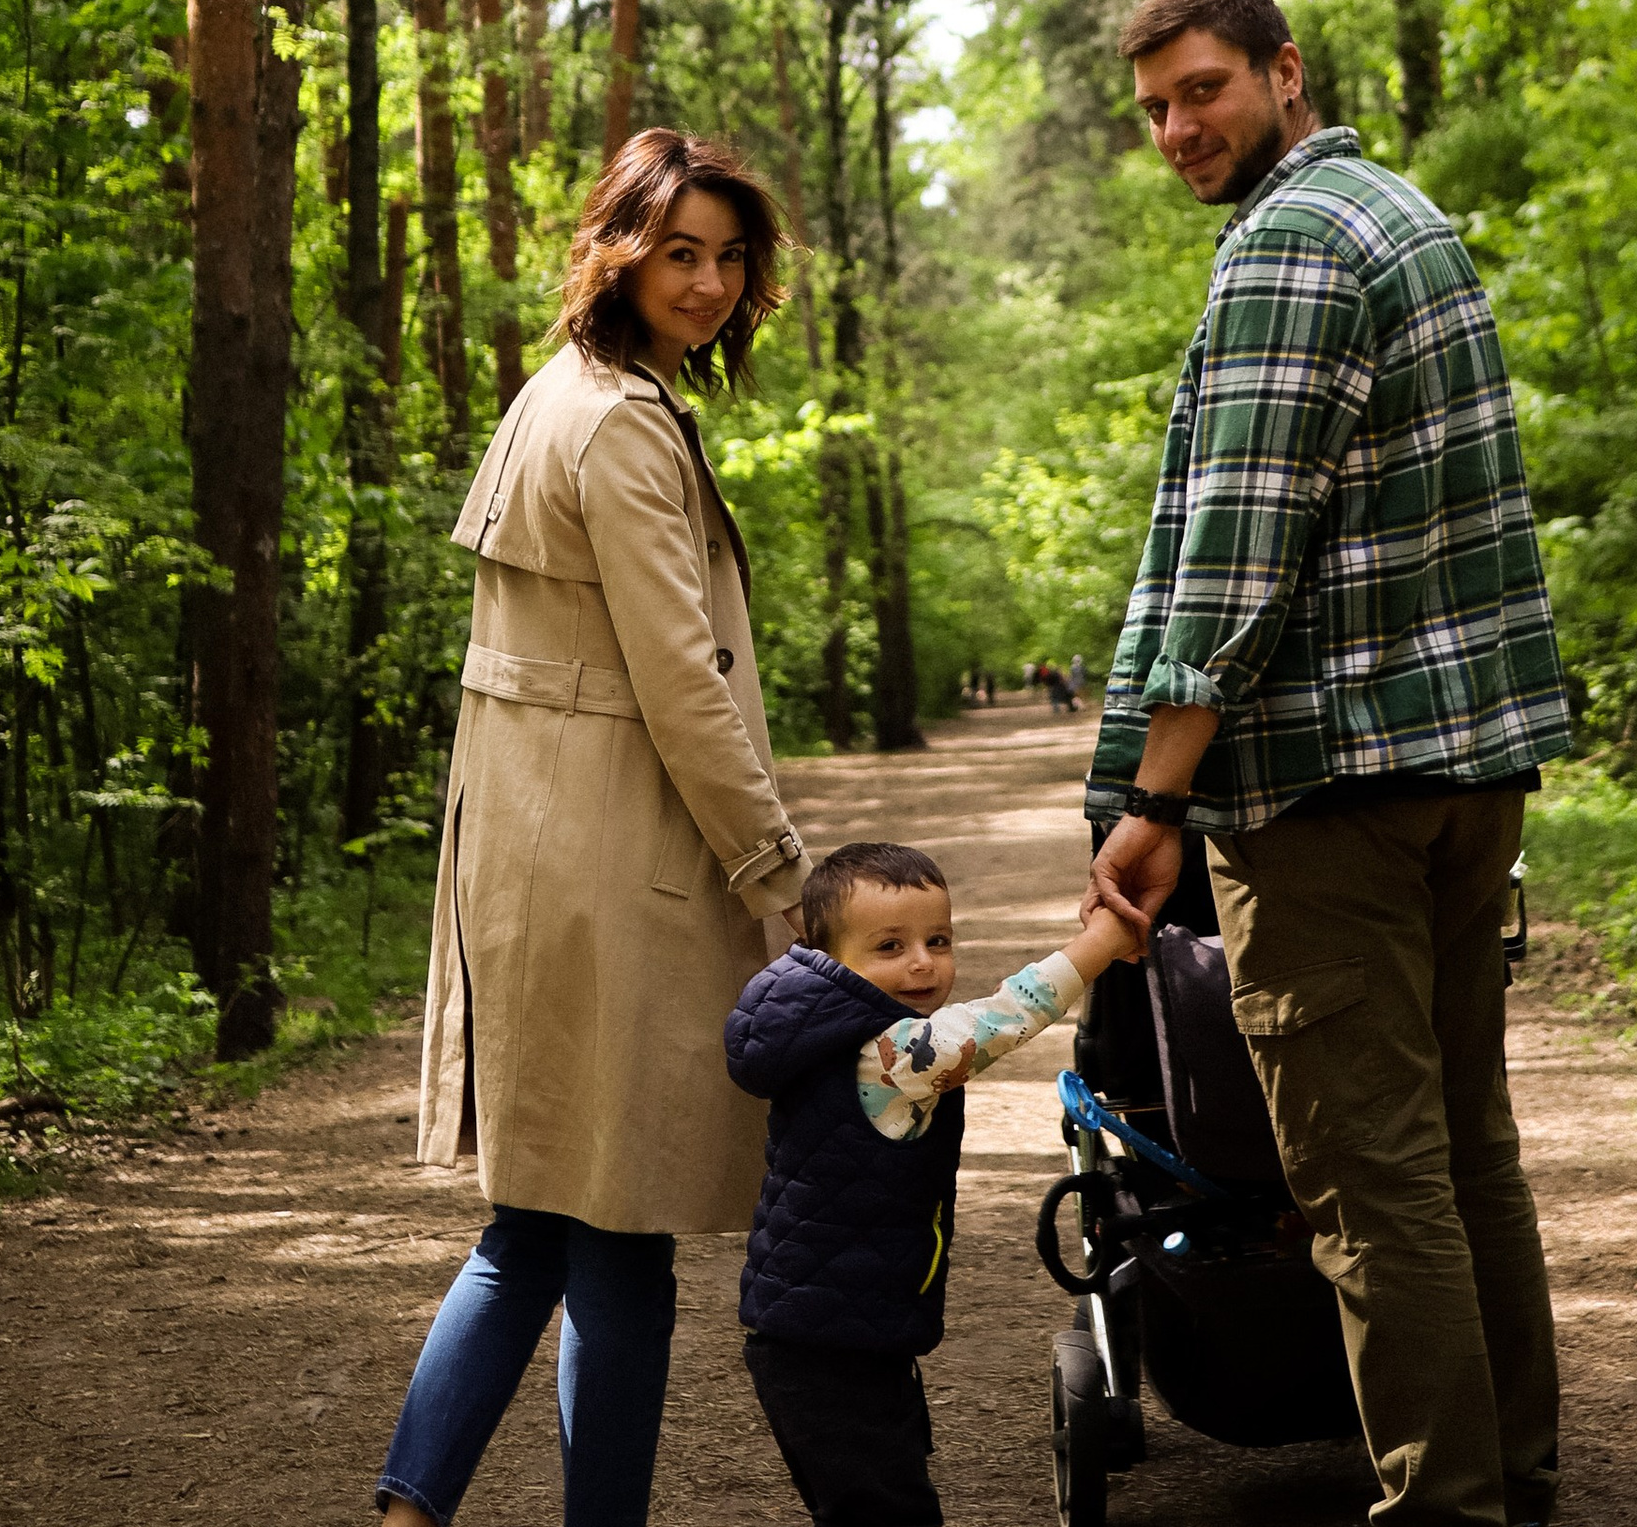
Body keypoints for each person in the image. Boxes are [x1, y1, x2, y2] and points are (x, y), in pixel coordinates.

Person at [1082, 0, 1573, 1527]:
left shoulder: (1292, 247)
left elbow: (1233, 567)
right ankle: (1515, 1467)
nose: (1177, 127)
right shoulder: (1401, 213)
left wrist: (1156, 797)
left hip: (1334, 789)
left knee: (1367, 1181)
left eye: (1205, 89)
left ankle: (1447, 1504)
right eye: (1155, 105)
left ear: (1285, 73)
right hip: (1460, 768)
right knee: (1460, 1145)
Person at [375, 129, 815, 1527]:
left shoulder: (560, 392)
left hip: (535, 848)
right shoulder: (620, 422)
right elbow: (683, 682)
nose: (707, 282)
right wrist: (776, 870)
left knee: (541, 1229)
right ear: (617, 251)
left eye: (728, 255)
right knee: (614, 1238)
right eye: (678, 251)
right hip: (607, 862)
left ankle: (410, 1505)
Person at [724, 841, 1140, 1525]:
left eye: (937, 939)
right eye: (889, 946)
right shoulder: (889, 1056)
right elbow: (1005, 1017)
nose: (921, 961)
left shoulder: (818, 1027)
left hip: (823, 1329)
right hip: (836, 1345)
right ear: (830, 960)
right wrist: (1103, 941)